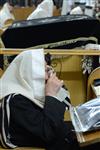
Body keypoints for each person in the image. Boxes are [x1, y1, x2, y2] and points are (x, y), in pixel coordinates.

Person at [0, 49, 80, 150]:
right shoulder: (16, 100)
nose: (47, 76)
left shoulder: (30, 90)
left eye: (48, 70)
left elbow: (66, 104)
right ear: (28, 72)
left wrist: (55, 90)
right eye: (45, 70)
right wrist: (51, 94)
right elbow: (48, 133)